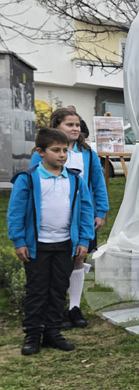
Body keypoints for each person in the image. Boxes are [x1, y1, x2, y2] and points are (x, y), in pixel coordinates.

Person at [8, 127, 93, 355]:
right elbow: (15, 212)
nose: (62, 154)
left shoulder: (75, 180)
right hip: (37, 246)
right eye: (56, 150)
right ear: (41, 152)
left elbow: (86, 209)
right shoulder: (28, 179)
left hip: (65, 245)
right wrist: (19, 241)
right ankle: (33, 334)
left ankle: (53, 332)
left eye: (65, 150)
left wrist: (83, 239)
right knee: (37, 290)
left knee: (58, 289)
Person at [28, 107, 109, 329]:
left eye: (77, 125)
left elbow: (97, 183)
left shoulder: (87, 153)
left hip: (80, 215)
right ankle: (54, 309)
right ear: (57, 126)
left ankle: (74, 307)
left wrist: (100, 211)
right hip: (53, 217)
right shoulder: (41, 153)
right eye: (69, 125)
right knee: (55, 263)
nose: (75, 129)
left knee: (78, 258)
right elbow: (32, 183)